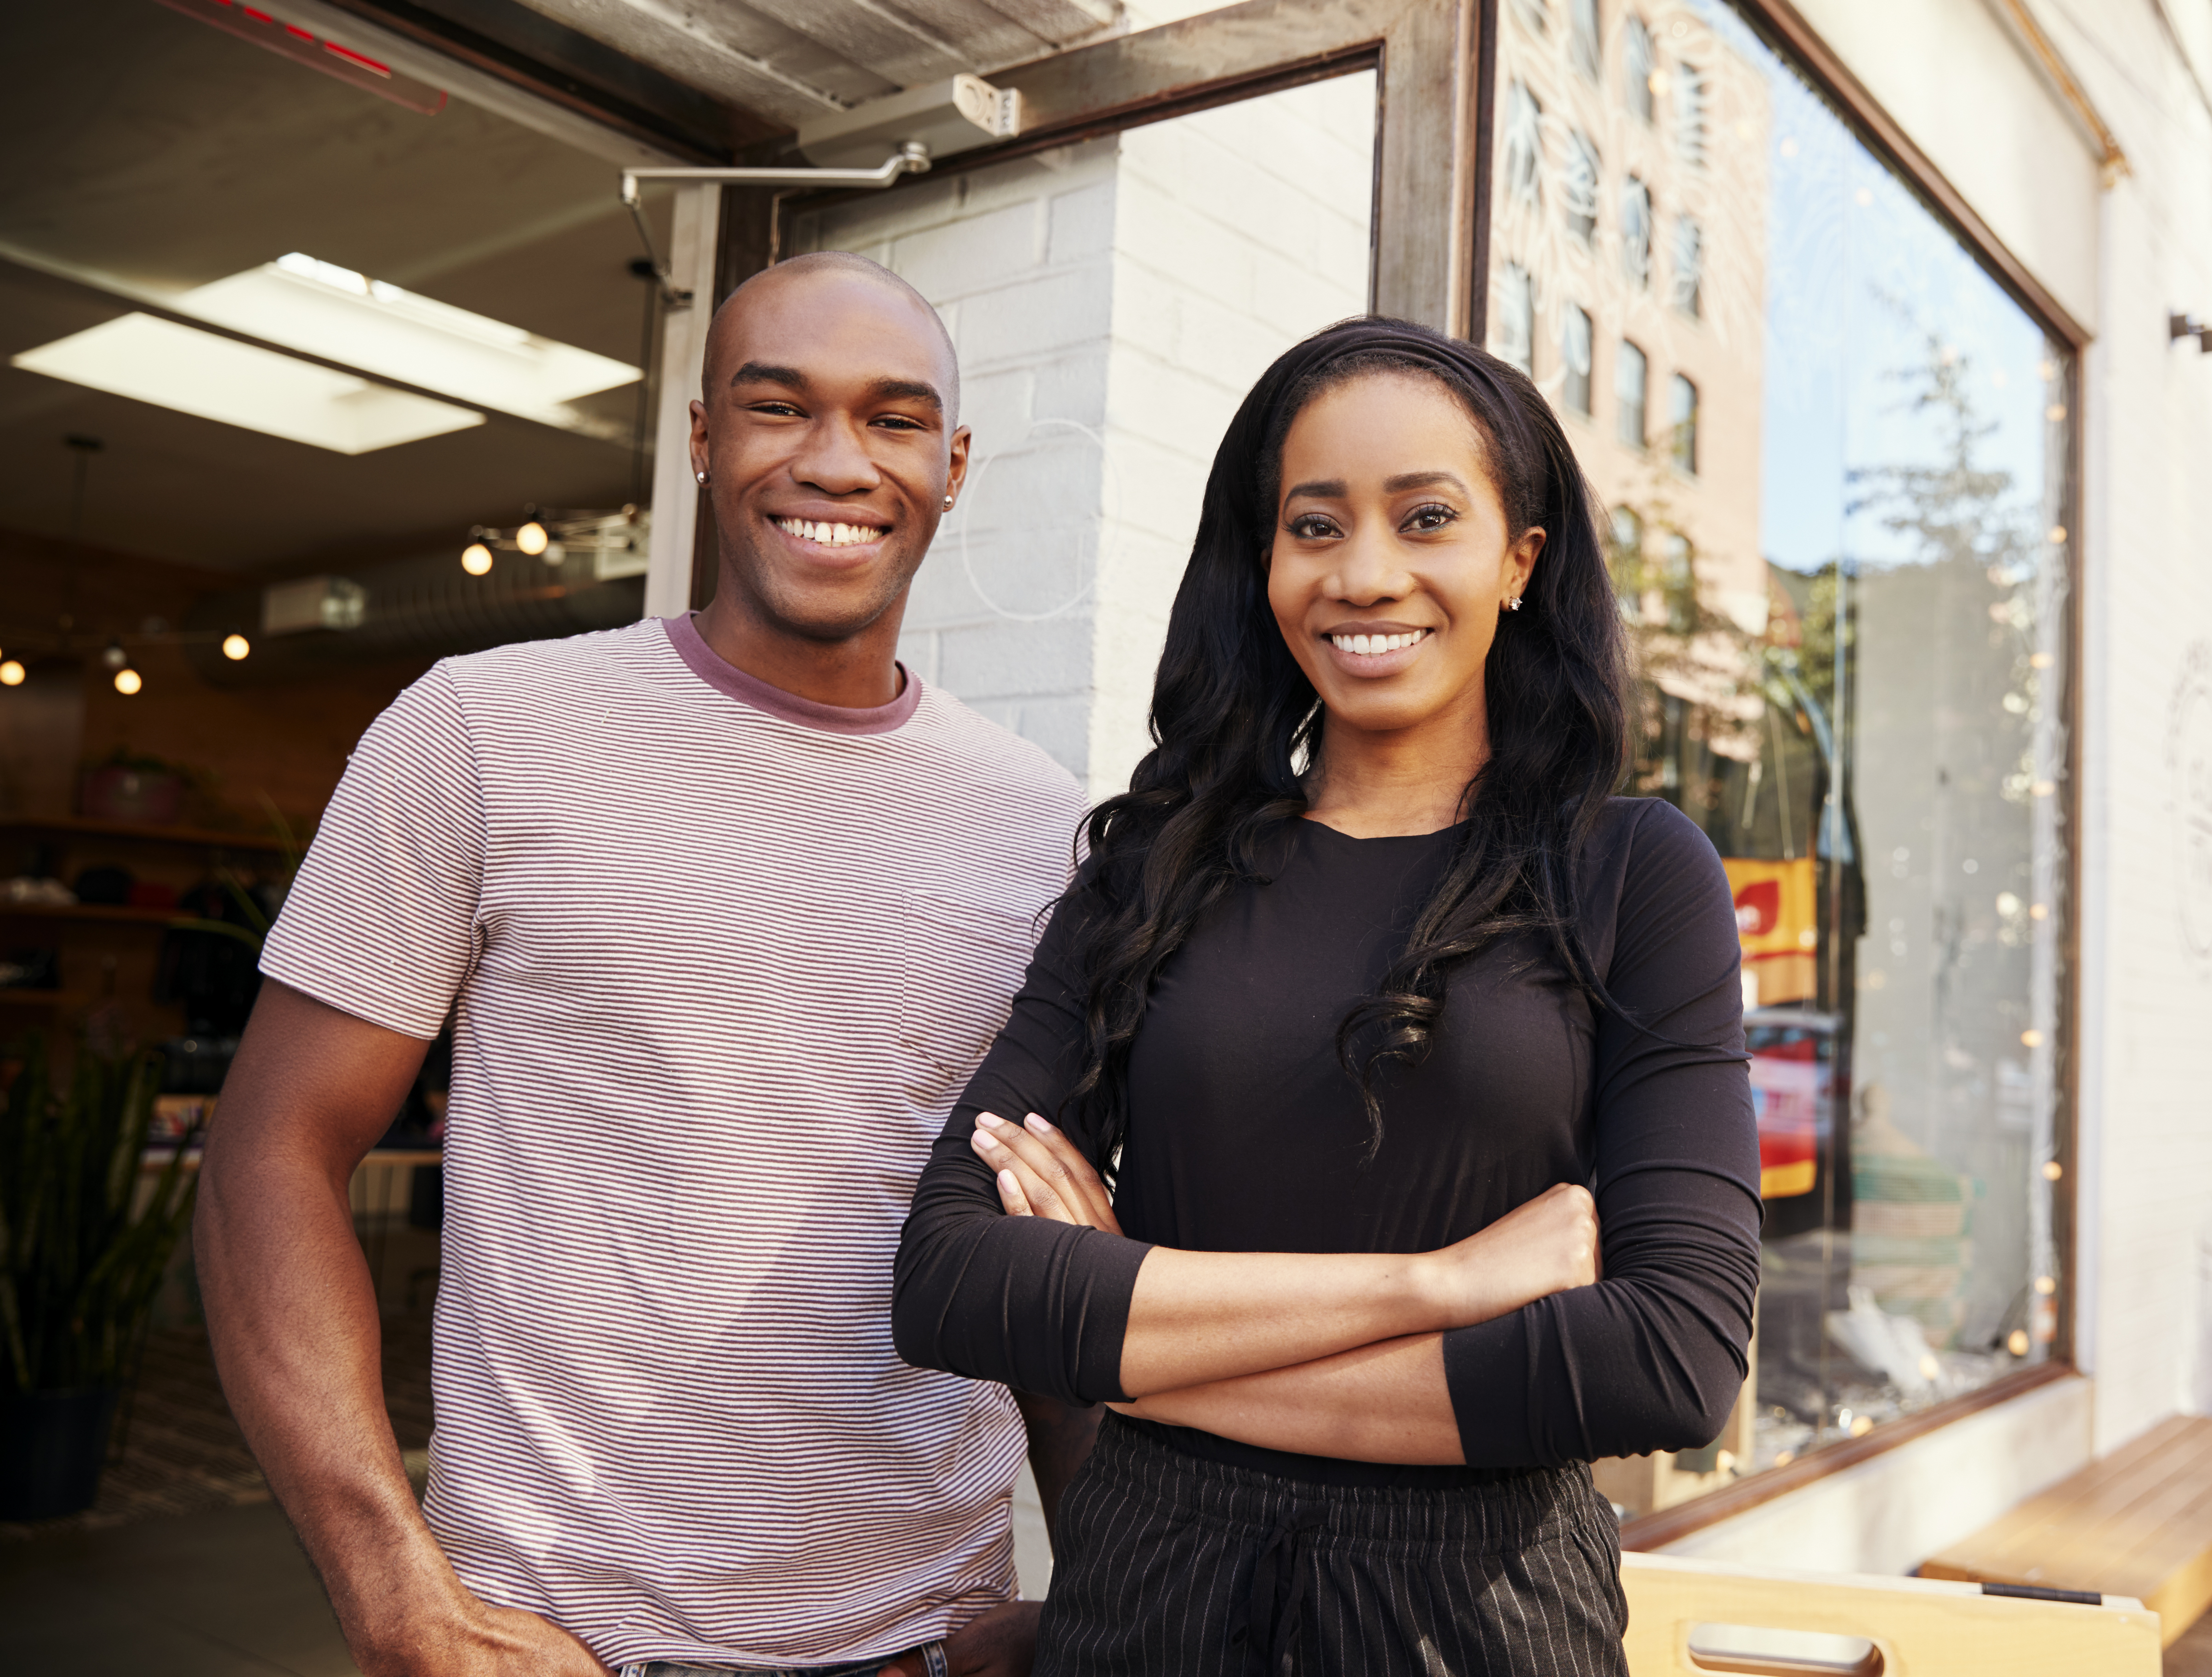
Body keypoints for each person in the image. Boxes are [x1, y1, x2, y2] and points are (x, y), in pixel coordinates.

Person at [197, 251, 1093, 1677]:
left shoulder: (1047, 830)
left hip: (925, 1642)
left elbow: (1051, 1254)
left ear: (955, 461)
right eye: (778, 407)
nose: (836, 462)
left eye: (893, 419)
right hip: (555, 1641)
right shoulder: (484, 732)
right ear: (701, 441)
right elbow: (270, 1158)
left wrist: (1117, 1613)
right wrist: (394, 1598)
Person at [892, 317, 1763, 1675]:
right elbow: (952, 1283)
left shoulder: (1631, 874)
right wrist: (1443, 1284)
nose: (1367, 576)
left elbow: (1671, 1355)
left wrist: (1135, 1329)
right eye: (1315, 526)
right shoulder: (1154, 869)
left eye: (1427, 518)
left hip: (1481, 1621)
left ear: (1520, 560)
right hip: (1145, 1608)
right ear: (1265, 560)